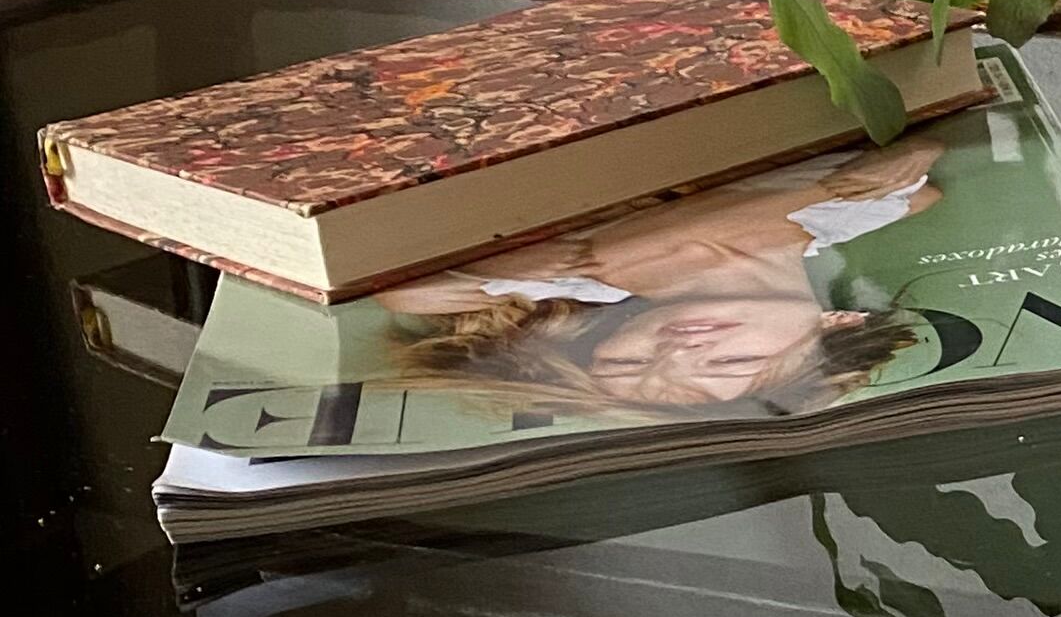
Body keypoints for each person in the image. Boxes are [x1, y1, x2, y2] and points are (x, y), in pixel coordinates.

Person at [378, 135, 948, 417]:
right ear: (839, 323)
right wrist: (921, 147)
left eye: (628, 362)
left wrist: (501, 263)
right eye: (730, 363)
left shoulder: (559, 279)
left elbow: (409, 294)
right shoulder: (874, 207)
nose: (675, 352)